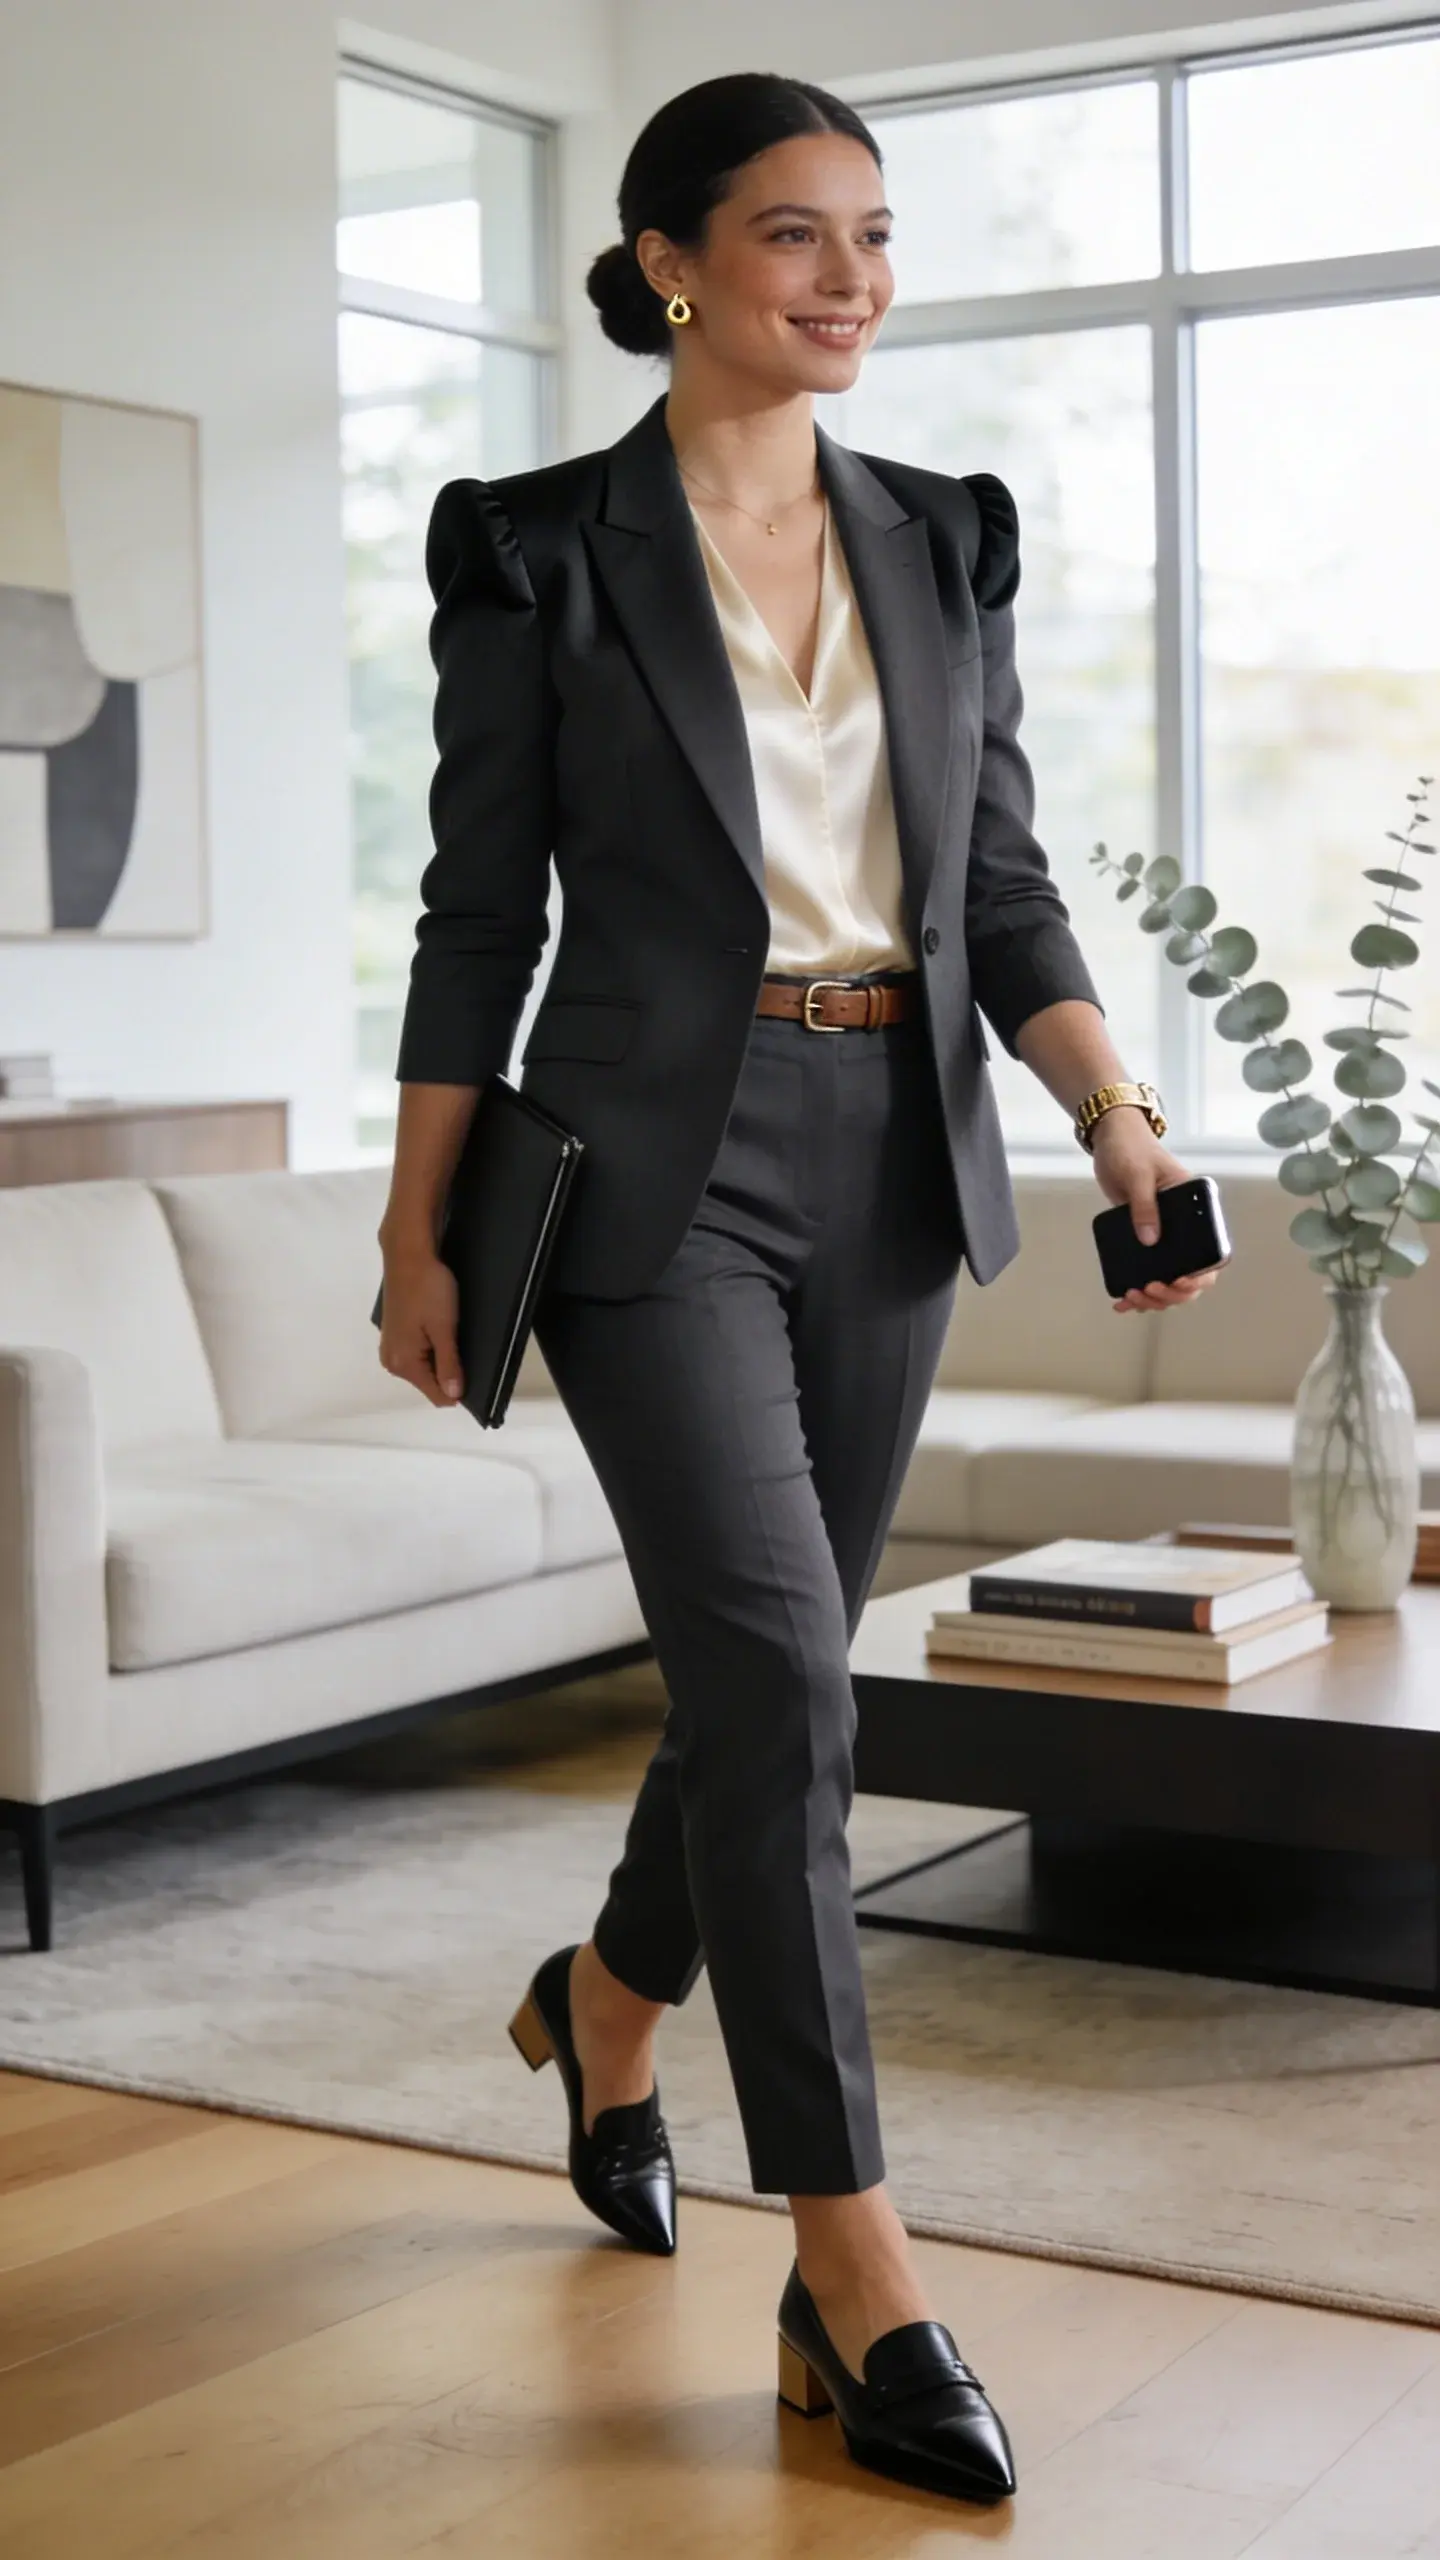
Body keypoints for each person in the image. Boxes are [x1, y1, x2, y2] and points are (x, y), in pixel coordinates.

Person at [377, 69, 1219, 2508]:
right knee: (773, 1677)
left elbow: (1004, 879)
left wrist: (1113, 1112)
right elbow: (476, 913)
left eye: (872, 235)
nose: (847, 279)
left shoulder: (947, 534)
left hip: (891, 1160)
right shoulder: (533, 546)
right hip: (649, 1171)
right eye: (789, 237)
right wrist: (417, 1225)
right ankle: (855, 2259)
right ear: (665, 262)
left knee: (778, 1685)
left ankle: (604, 2005)